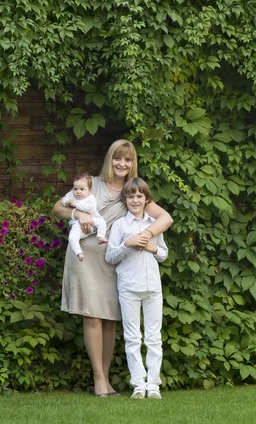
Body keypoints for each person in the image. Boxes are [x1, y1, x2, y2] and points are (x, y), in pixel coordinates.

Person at [52, 139, 173, 397]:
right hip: (84, 258)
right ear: (110, 159)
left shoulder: (132, 191)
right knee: (92, 316)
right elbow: (58, 208)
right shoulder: (92, 184)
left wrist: (146, 234)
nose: (122, 163)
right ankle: (99, 381)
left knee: (109, 320)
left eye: (128, 159)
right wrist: (78, 215)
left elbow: (166, 218)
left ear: (133, 163)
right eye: (118, 158)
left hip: (113, 262)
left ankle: (107, 381)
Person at [105, 178, 168, 400]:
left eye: (140, 196)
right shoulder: (120, 226)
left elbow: (163, 254)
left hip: (152, 287)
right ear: (125, 199)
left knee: (153, 337)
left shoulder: (153, 225)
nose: (135, 200)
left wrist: (152, 247)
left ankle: (153, 385)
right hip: (129, 287)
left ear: (146, 199)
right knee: (133, 338)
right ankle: (138, 385)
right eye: (131, 196)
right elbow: (110, 256)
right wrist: (127, 244)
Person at [61, 172, 108, 261]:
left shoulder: (90, 198)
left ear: (89, 190)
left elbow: (90, 207)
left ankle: (100, 236)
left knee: (102, 222)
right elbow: (63, 200)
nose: (78, 192)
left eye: (82, 189)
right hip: (77, 224)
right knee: (72, 237)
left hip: (93, 219)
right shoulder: (71, 195)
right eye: (75, 189)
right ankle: (79, 253)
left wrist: (76, 205)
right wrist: (66, 202)